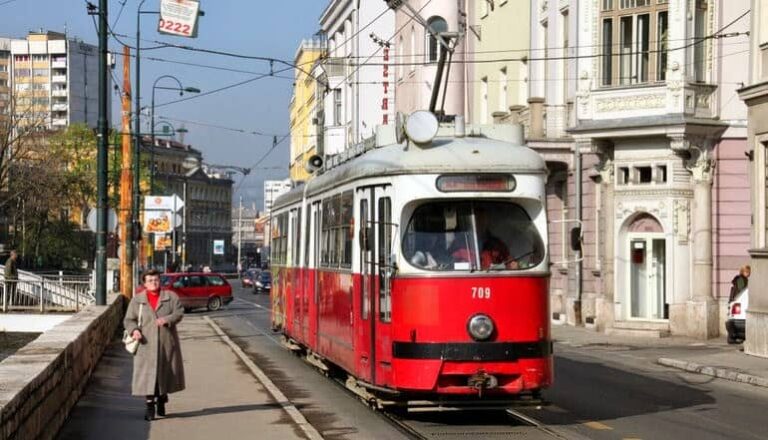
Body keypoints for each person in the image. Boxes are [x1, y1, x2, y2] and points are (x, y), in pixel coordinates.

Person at [124, 269, 185, 421]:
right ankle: (150, 406)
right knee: (148, 377)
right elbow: (128, 320)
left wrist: (167, 319)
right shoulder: (137, 300)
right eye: (150, 280)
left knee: (164, 374)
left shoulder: (170, 297)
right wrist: (134, 330)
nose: (153, 283)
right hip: (145, 345)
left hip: (166, 344)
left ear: (160, 281)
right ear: (144, 283)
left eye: (156, 280)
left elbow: (179, 313)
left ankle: (162, 400)